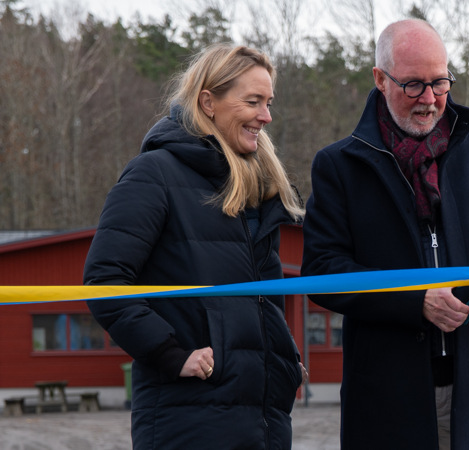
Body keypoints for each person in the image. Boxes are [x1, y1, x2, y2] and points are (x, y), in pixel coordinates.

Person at [301, 19, 469, 450]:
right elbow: (323, 271)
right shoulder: (338, 166)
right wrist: (414, 301)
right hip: (386, 400)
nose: (430, 99)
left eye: (440, 82)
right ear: (380, 79)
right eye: (413, 85)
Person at [84, 44, 307, 450]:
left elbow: (263, 300)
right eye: (253, 102)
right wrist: (171, 353)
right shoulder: (154, 173)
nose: (266, 116)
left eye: (269, 103)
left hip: (264, 420)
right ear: (208, 102)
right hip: (187, 416)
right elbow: (104, 281)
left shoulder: (259, 187)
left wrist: (283, 358)